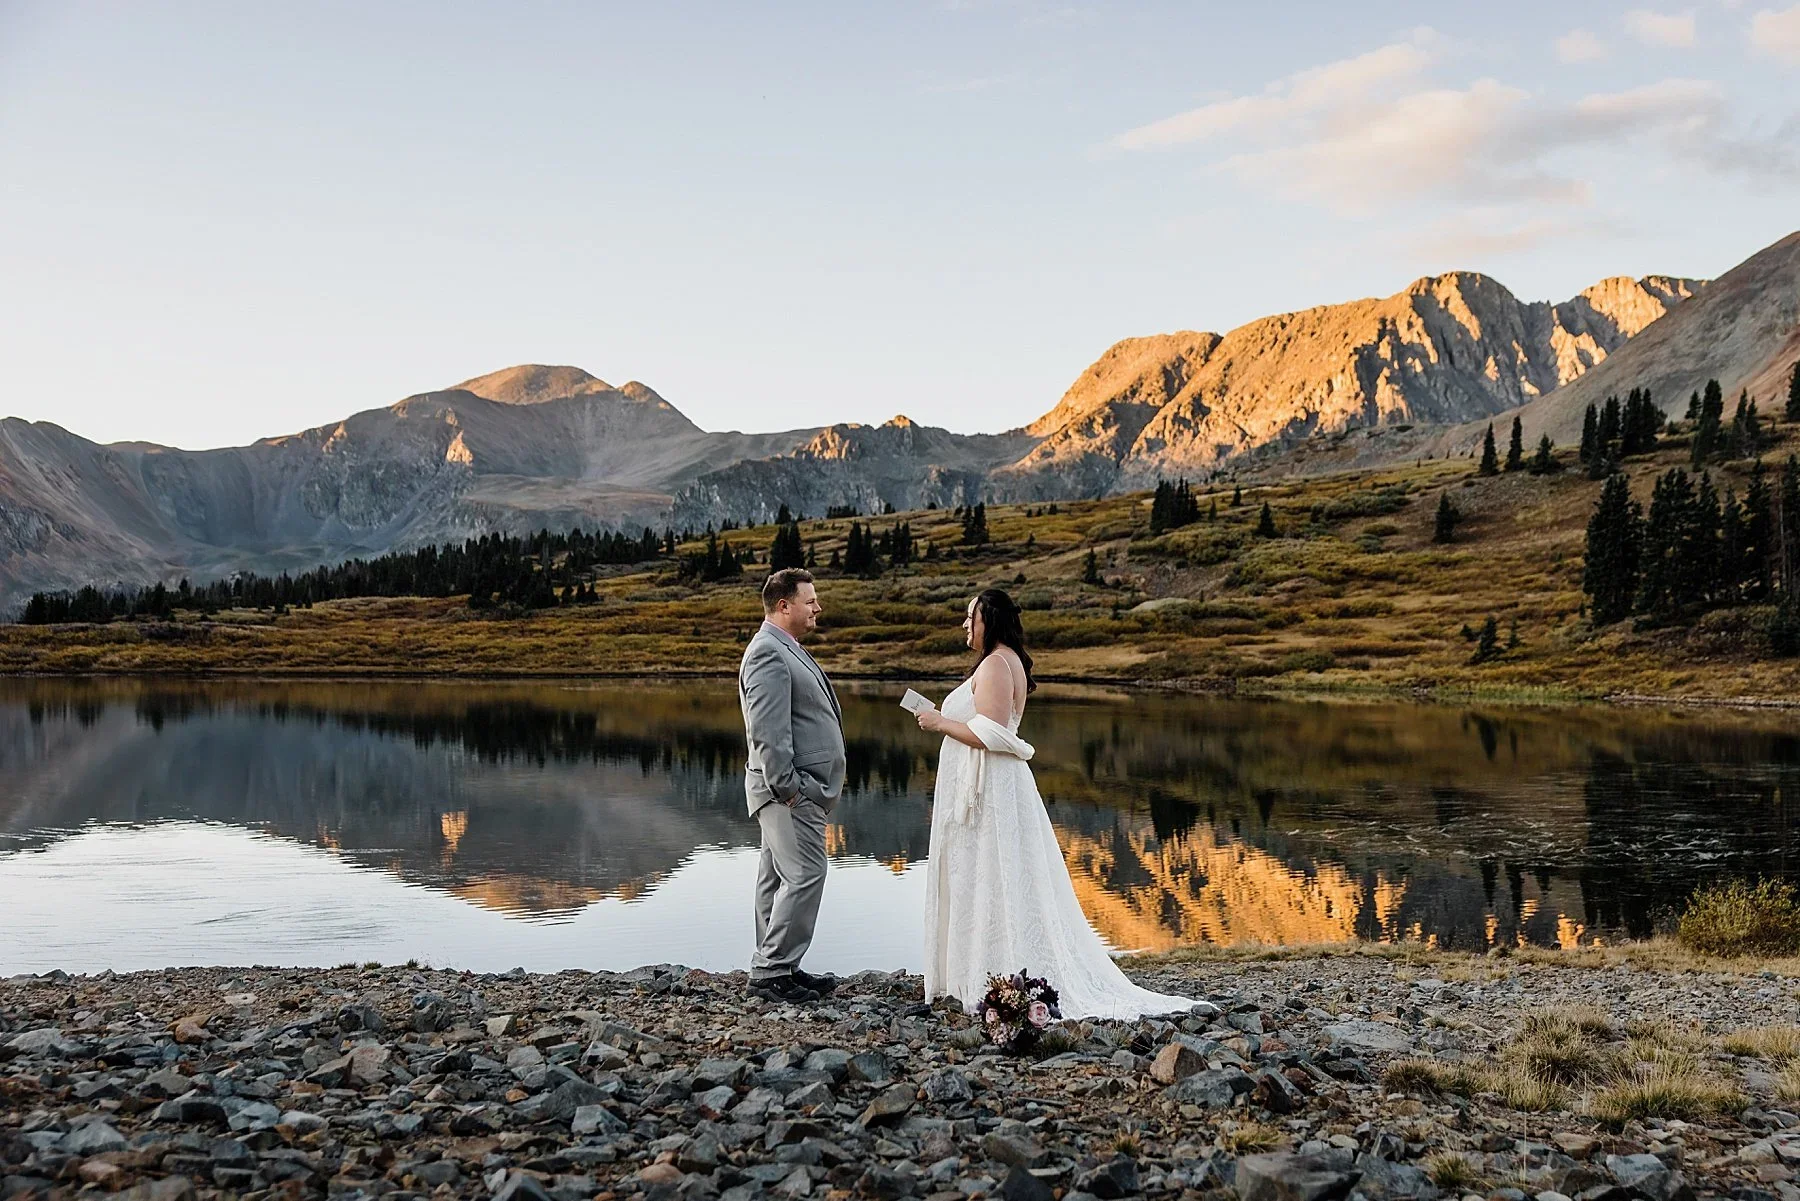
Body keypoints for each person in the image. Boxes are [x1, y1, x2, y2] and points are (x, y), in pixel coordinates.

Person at [914, 588, 1198, 1018]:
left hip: (991, 790)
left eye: (969, 617)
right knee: (996, 873)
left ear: (987, 620)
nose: (964, 625)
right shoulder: (1005, 661)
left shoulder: (994, 663)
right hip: (992, 787)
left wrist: (939, 722)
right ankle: (987, 973)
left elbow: (992, 734)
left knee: (993, 873)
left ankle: (992, 975)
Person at [739, 568, 846, 1004]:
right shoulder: (768, 653)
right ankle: (769, 973)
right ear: (784, 606)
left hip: (792, 789)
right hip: (787, 791)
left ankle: (780, 967)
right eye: (810, 601)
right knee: (806, 874)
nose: (818, 607)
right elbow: (769, 733)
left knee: (777, 878)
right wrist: (790, 789)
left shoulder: (786, 647)